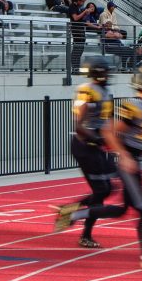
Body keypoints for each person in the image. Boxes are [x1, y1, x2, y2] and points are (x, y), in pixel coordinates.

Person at [54, 58, 126, 248]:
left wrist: (113, 142)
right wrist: (97, 139)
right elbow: (79, 126)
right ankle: (84, 233)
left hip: (97, 145)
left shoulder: (106, 92)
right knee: (101, 191)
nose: (109, 75)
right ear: (99, 73)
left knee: (110, 188)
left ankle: (69, 211)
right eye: (107, 72)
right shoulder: (88, 91)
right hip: (85, 145)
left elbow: (108, 123)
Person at [103, 66, 142, 273]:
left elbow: (135, 136)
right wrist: (123, 155)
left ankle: (71, 214)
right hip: (127, 162)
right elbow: (110, 132)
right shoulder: (135, 107)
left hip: (134, 159)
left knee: (124, 209)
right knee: (141, 206)